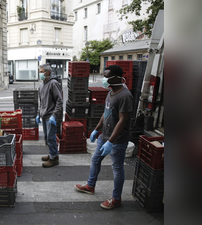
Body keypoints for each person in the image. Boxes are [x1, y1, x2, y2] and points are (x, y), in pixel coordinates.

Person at [74, 65, 133, 209]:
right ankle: (90, 185)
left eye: (107, 76)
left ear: (117, 78)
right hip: (104, 136)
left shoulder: (125, 96)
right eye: (104, 75)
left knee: (117, 168)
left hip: (117, 140)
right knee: (95, 159)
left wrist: (111, 142)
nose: (104, 79)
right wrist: (96, 130)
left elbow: (123, 120)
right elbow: (105, 113)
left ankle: (116, 198)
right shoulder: (111, 91)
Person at [36, 64, 63, 168]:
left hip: (51, 116)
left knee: (51, 138)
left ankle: (54, 158)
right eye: (39, 71)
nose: (40, 74)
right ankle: (52, 153)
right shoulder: (42, 84)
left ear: (47, 72)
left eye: (41, 71)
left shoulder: (53, 83)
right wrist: (39, 114)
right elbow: (41, 102)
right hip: (44, 115)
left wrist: (54, 115)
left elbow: (59, 101)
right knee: (47, 137)